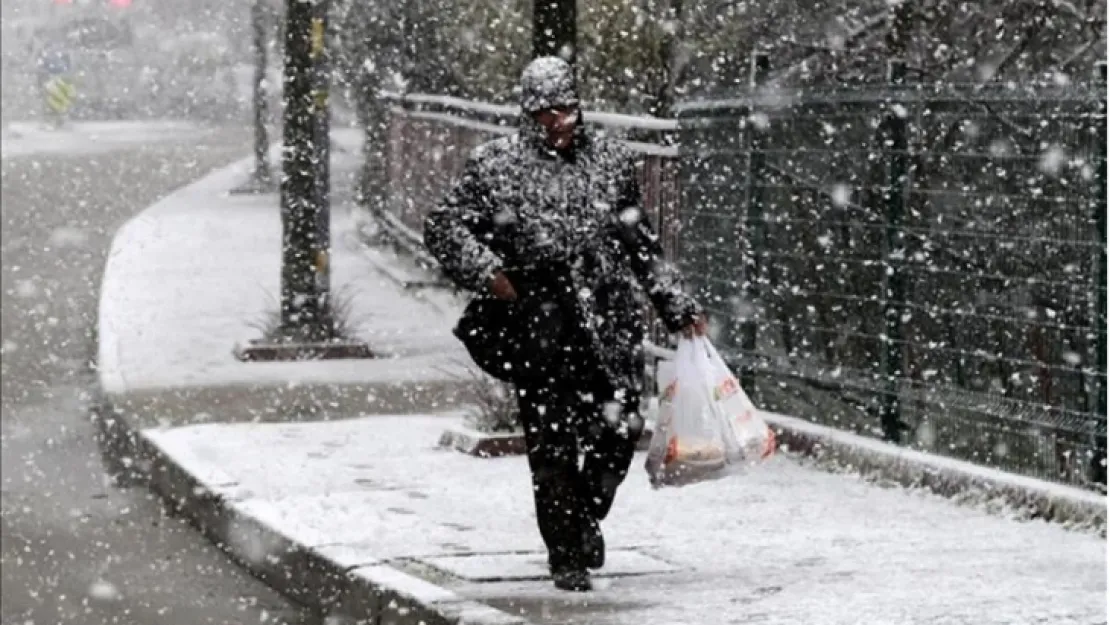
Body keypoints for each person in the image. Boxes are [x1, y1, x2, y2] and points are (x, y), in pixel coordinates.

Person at [424, 56, 706, 592]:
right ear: (527, 113)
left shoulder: (611, 162)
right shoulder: (495, 166)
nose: (558, 121)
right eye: (545, 112)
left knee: (621, 427)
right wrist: (490, 274)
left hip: (606, 319)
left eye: (566, 109)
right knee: (551, 443)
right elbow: (444, 226)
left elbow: (638, 242)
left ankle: (585, 513)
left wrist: (675, 303)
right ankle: (565, 553)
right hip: (539, 323)